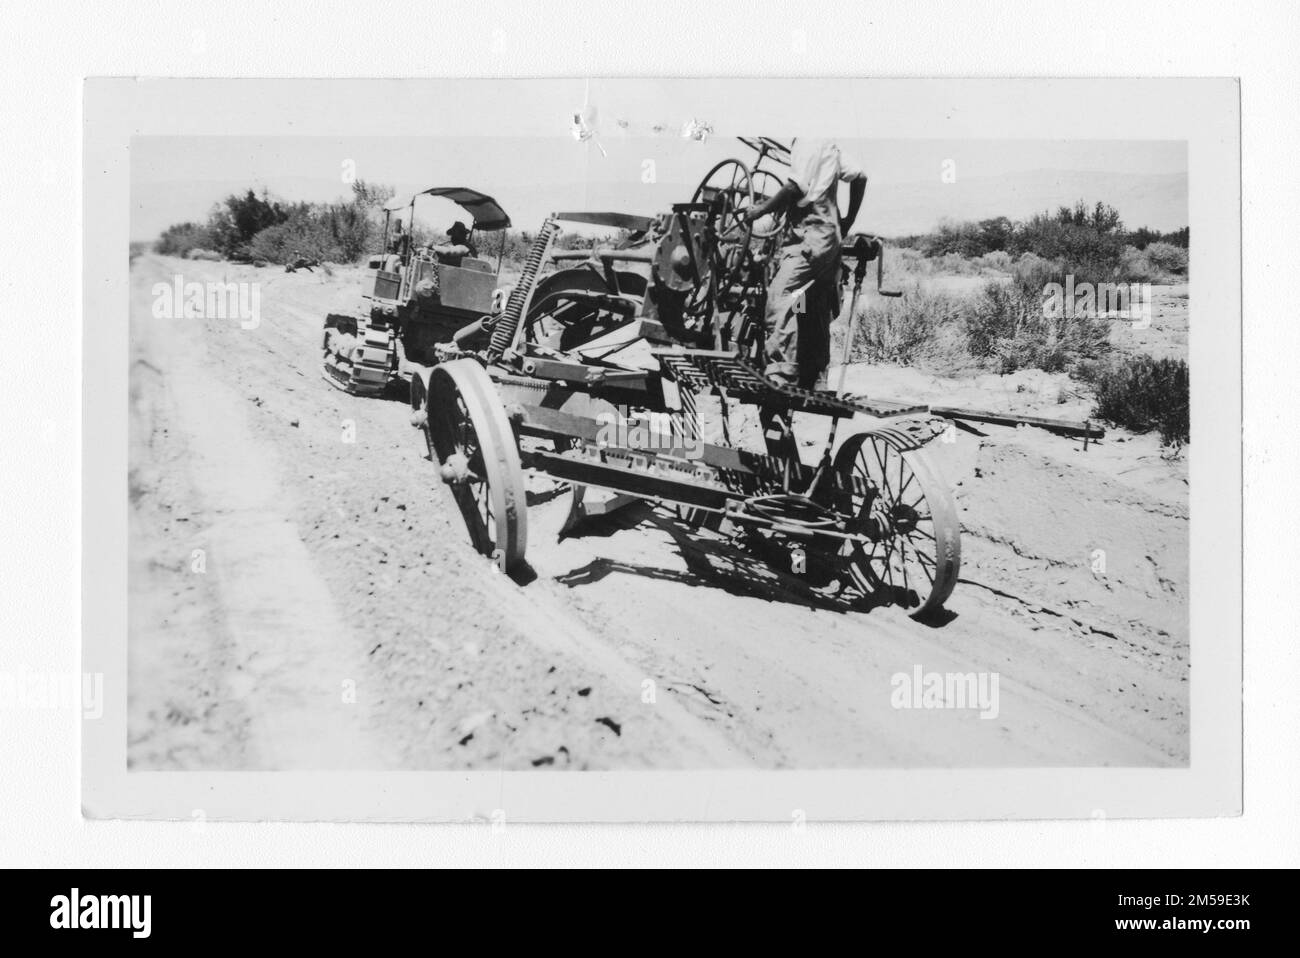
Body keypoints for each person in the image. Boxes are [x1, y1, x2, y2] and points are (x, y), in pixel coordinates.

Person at [741, 138, 867, 389]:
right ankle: (814, 377)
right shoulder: (828, 144)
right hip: (829, 237)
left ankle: (782, 375)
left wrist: (760, 210)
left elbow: (795, 187)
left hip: (810, 237)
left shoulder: (806, 141)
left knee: (783, 297)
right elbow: (860, 176)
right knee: (812, 304)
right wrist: (848, 221)